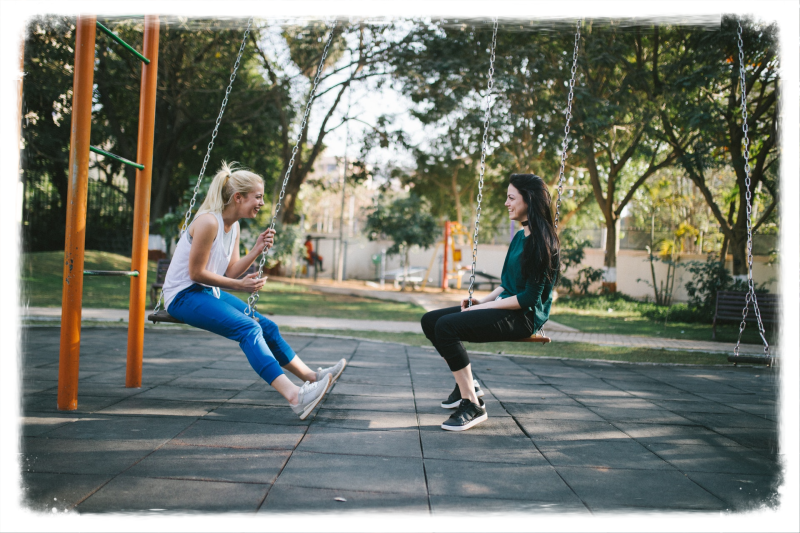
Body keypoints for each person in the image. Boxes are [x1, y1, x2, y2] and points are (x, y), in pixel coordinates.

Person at [161, 162, 346, 420]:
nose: (261, 202)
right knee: (248, 328)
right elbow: (196, 274)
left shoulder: (233, 226)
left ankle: (312, 377)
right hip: (183, 296)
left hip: (205, 293)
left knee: (266, 326)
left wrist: (256, 249)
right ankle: (295, 396)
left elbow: (232, 271)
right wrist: (239, 286)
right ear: (239, 197)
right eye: (257, 197)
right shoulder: (207, 222)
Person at [421, 174, 559, 431]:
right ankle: (467, 383)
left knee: (447, 327)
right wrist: (481, 300)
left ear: (528, 199)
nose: (506, 203)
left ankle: (472, 404)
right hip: (507, 304)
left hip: (525, 316)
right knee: (431, 321)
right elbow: (507, 284)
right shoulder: (520, 237)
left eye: (511, 197)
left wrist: (485, 307)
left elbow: (528, 298)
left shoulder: (542, 242)